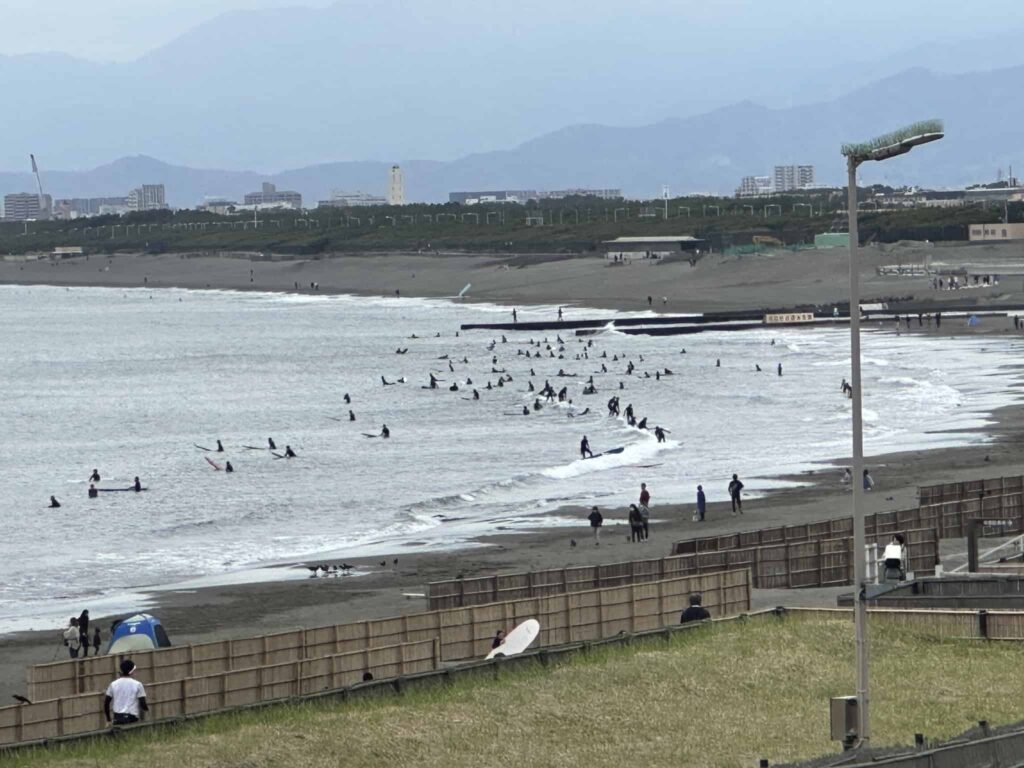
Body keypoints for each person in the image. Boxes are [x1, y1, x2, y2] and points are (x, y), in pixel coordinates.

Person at [104, 659, 148, 726]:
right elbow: (143, 703)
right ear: (132, 671)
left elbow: (106, 703)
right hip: (132, 718)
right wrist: (147, 712)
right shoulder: (138, 684)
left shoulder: (113, 684)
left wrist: (108, 720)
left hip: (117, 718)